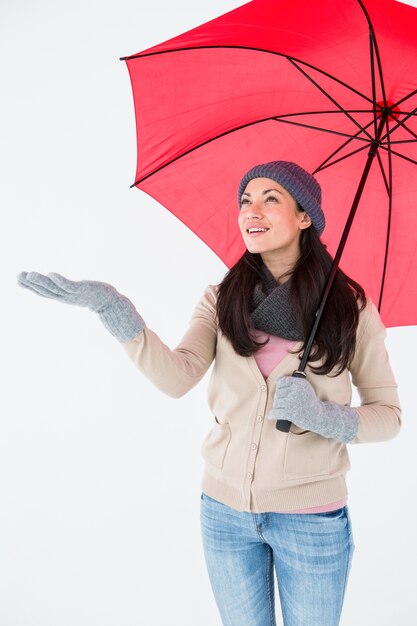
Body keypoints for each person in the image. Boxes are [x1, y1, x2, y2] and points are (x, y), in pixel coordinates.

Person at [18, 161, 401, 626]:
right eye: (245, 200)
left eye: (270, 199)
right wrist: (113, 309)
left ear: (306, 217)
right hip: (225, 515)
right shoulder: (222, 298)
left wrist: (327, 417)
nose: (250, 211)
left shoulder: (349, 308)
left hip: (311, 520)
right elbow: (177, 377)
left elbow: (389, 414)